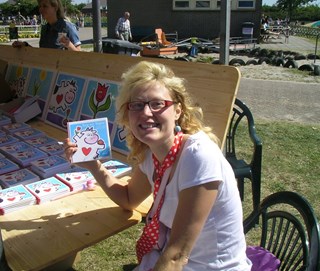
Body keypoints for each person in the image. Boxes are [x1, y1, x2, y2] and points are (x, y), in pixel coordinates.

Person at [63, 61, 252, 271]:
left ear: (178, 110)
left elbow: (176, 256)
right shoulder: (151, 153)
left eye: (157, 104)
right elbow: (128, 199)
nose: (145, 113)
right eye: (137, 105)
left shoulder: (198, 156)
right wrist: (93, 165)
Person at [12, 0, 81, 51]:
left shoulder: (67, 27)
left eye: (45, 6)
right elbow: (42, 54)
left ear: (55, 8)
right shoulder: (44, 28)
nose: (41, 9)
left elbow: (79, 56)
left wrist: (68, 45)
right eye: (40, 6)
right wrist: (25, 45)